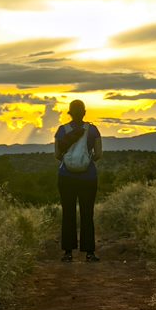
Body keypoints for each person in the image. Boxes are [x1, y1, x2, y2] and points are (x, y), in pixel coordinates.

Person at [54, 99, 102, 262]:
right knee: (87, 213)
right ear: (84, 112)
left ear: (70, 112)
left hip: (66, 177)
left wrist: (69, 160)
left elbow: (57, 155)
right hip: (88, 177)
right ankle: (89, 252)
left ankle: (68, 252)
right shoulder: (93, 130)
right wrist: (86, 160)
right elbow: (98, 154)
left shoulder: (62, 130)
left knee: (68, 213)